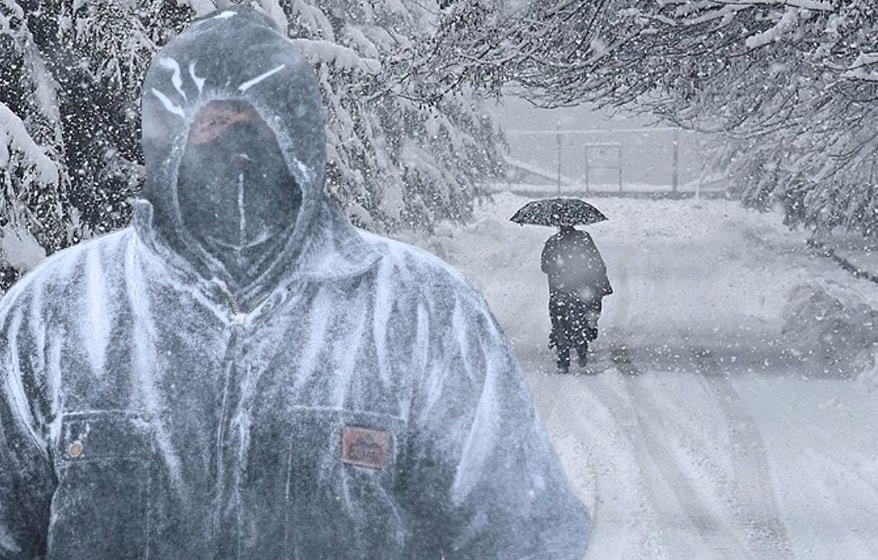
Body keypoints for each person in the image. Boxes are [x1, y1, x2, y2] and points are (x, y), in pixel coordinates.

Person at [0, 7, 590, 559]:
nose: (235, 147)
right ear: (166, 140)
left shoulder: (421, 309)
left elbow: (523, 534)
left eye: (258, 122)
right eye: (212, 124)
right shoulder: (56, 312)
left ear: (300, 137)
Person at [541, 224, 612, 373]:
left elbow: (545, 266)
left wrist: (559, 267)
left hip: (561, 292)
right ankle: (578, 351)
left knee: (562, 324)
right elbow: (596, 262)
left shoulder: (553, 242)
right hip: (577, 291)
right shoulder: (582, 239)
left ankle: (565, 359)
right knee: (576, 322)